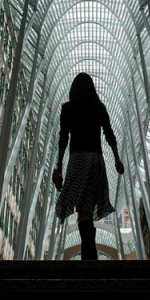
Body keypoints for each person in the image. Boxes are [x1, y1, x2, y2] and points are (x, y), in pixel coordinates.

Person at [51, 72, 123, 260]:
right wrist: (116, 159)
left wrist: (59, 165)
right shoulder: (98, 107)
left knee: (82, 212)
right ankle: (90, 256)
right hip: (96, 161)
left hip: (78, 159)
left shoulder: (68, 108)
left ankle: (88, 258)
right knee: (87, 209)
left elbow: (63, 138)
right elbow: (109, 134)